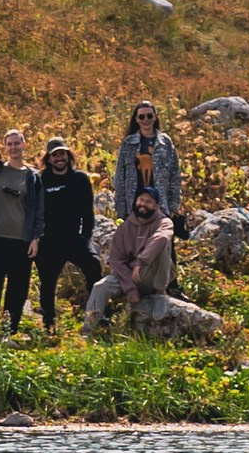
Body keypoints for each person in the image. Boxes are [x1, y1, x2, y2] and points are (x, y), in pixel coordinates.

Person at [84, 179, 176, 334]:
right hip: (130, 276)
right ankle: (90, 328)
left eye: (149, 202)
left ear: (156, 205)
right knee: (100, 286)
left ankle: (160, 293)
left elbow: (160, 238)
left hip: (151, 275)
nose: (143, 204)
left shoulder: (164, 222)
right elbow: (117, 261)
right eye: (141, 200)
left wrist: (141, 261)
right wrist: (131, 288)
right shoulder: (125, 227)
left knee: (162, 245)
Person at [0, 127, 41, 334]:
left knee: (18, 289)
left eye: (17, 143)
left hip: (21, 240)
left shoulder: (33, 177)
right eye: (9, 144)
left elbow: (39, 210)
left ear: (25, 145)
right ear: (5, 147)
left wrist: (35, 238)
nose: (13, 147)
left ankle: (8, 330)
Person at [35, 135, 99, 331]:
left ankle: (95, 316)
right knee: (47, 283)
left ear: (68, 155)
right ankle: (49, 324)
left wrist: (85, 237)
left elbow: (88, 212)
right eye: (54, 155)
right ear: (48, 159)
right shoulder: (40, 180)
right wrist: (37, 238)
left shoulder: (80, 179)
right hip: (48, 240)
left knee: (94, 266)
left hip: (73, 237)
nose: (59, 158)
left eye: (62, 154)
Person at [114, 100, 183, 234]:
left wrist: (174, 205)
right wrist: (121, 209)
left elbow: (175, 176)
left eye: (149, 116)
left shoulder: (165, 142)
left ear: (155, 117)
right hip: (134, 205)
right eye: (142, 116)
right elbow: (119, 178)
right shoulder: (128, 143)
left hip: (160, 205)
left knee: (162, 247)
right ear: (136, 119)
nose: (146, 120)